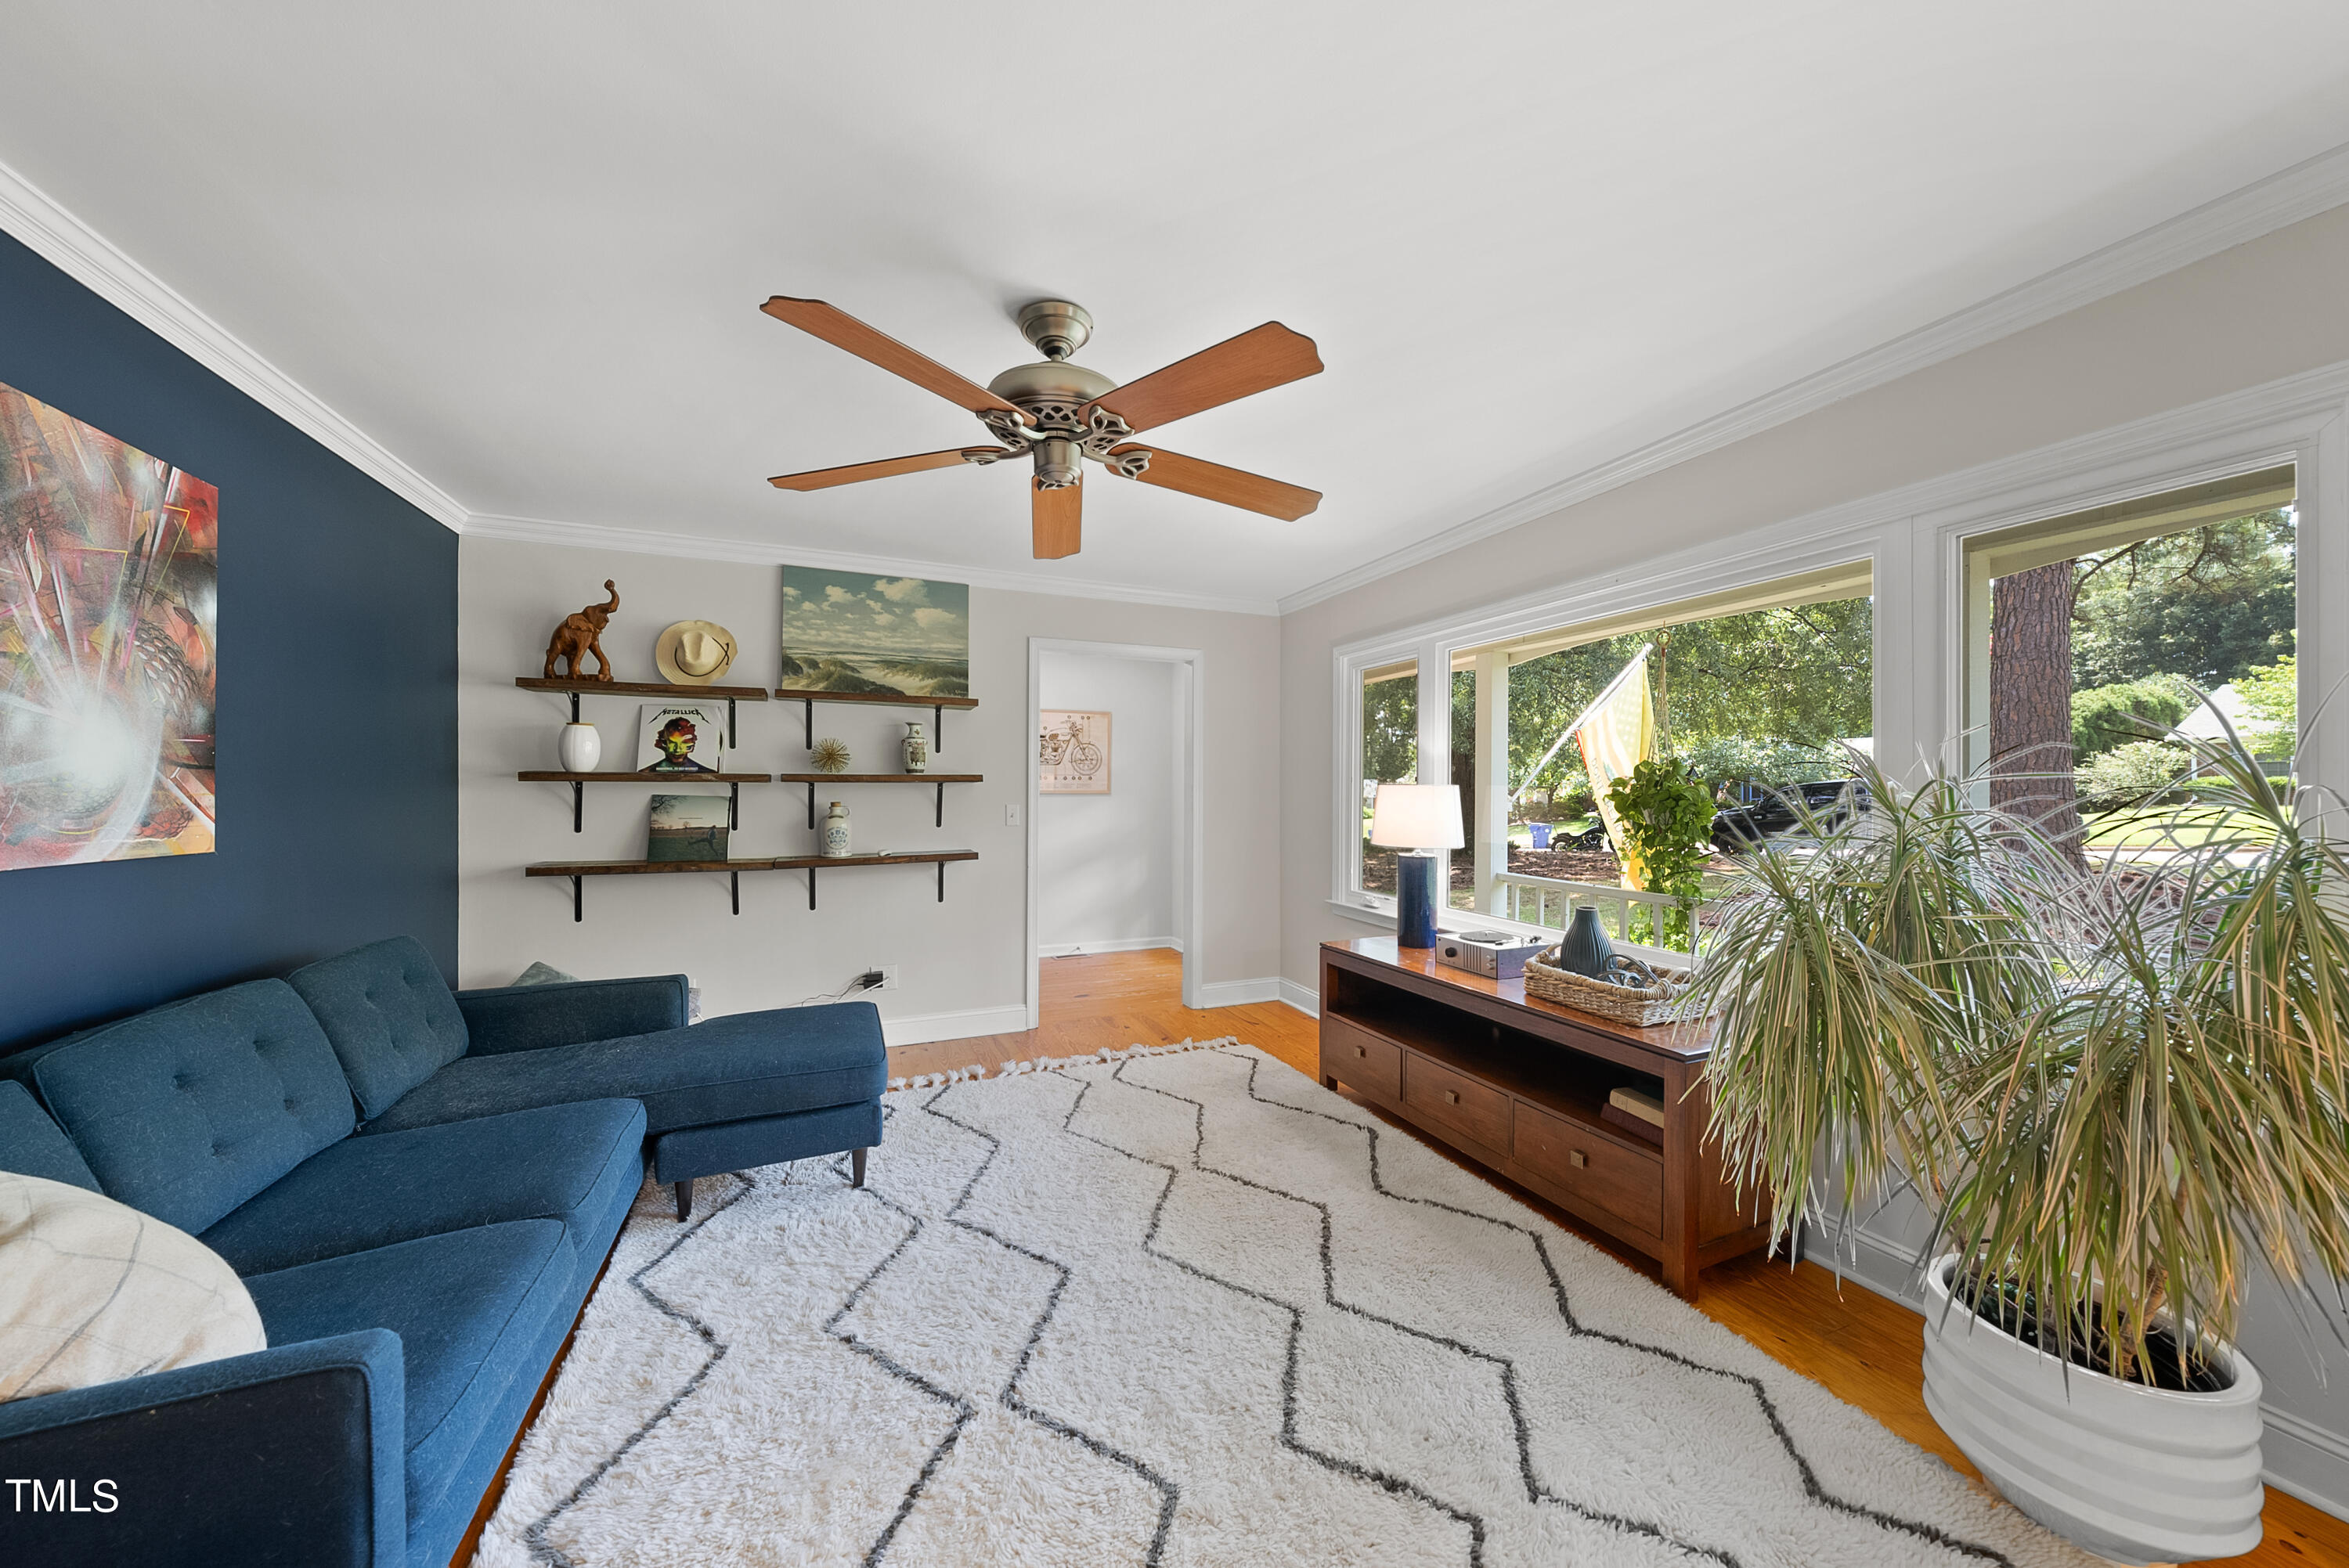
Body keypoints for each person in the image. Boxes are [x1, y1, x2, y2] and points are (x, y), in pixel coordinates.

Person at [642, 716, 716, 773]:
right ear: (664, 742)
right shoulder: (647, 773)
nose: (678, 749)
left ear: (692, 743)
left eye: (684, 743)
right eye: (672, 743)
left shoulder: (706, 772)